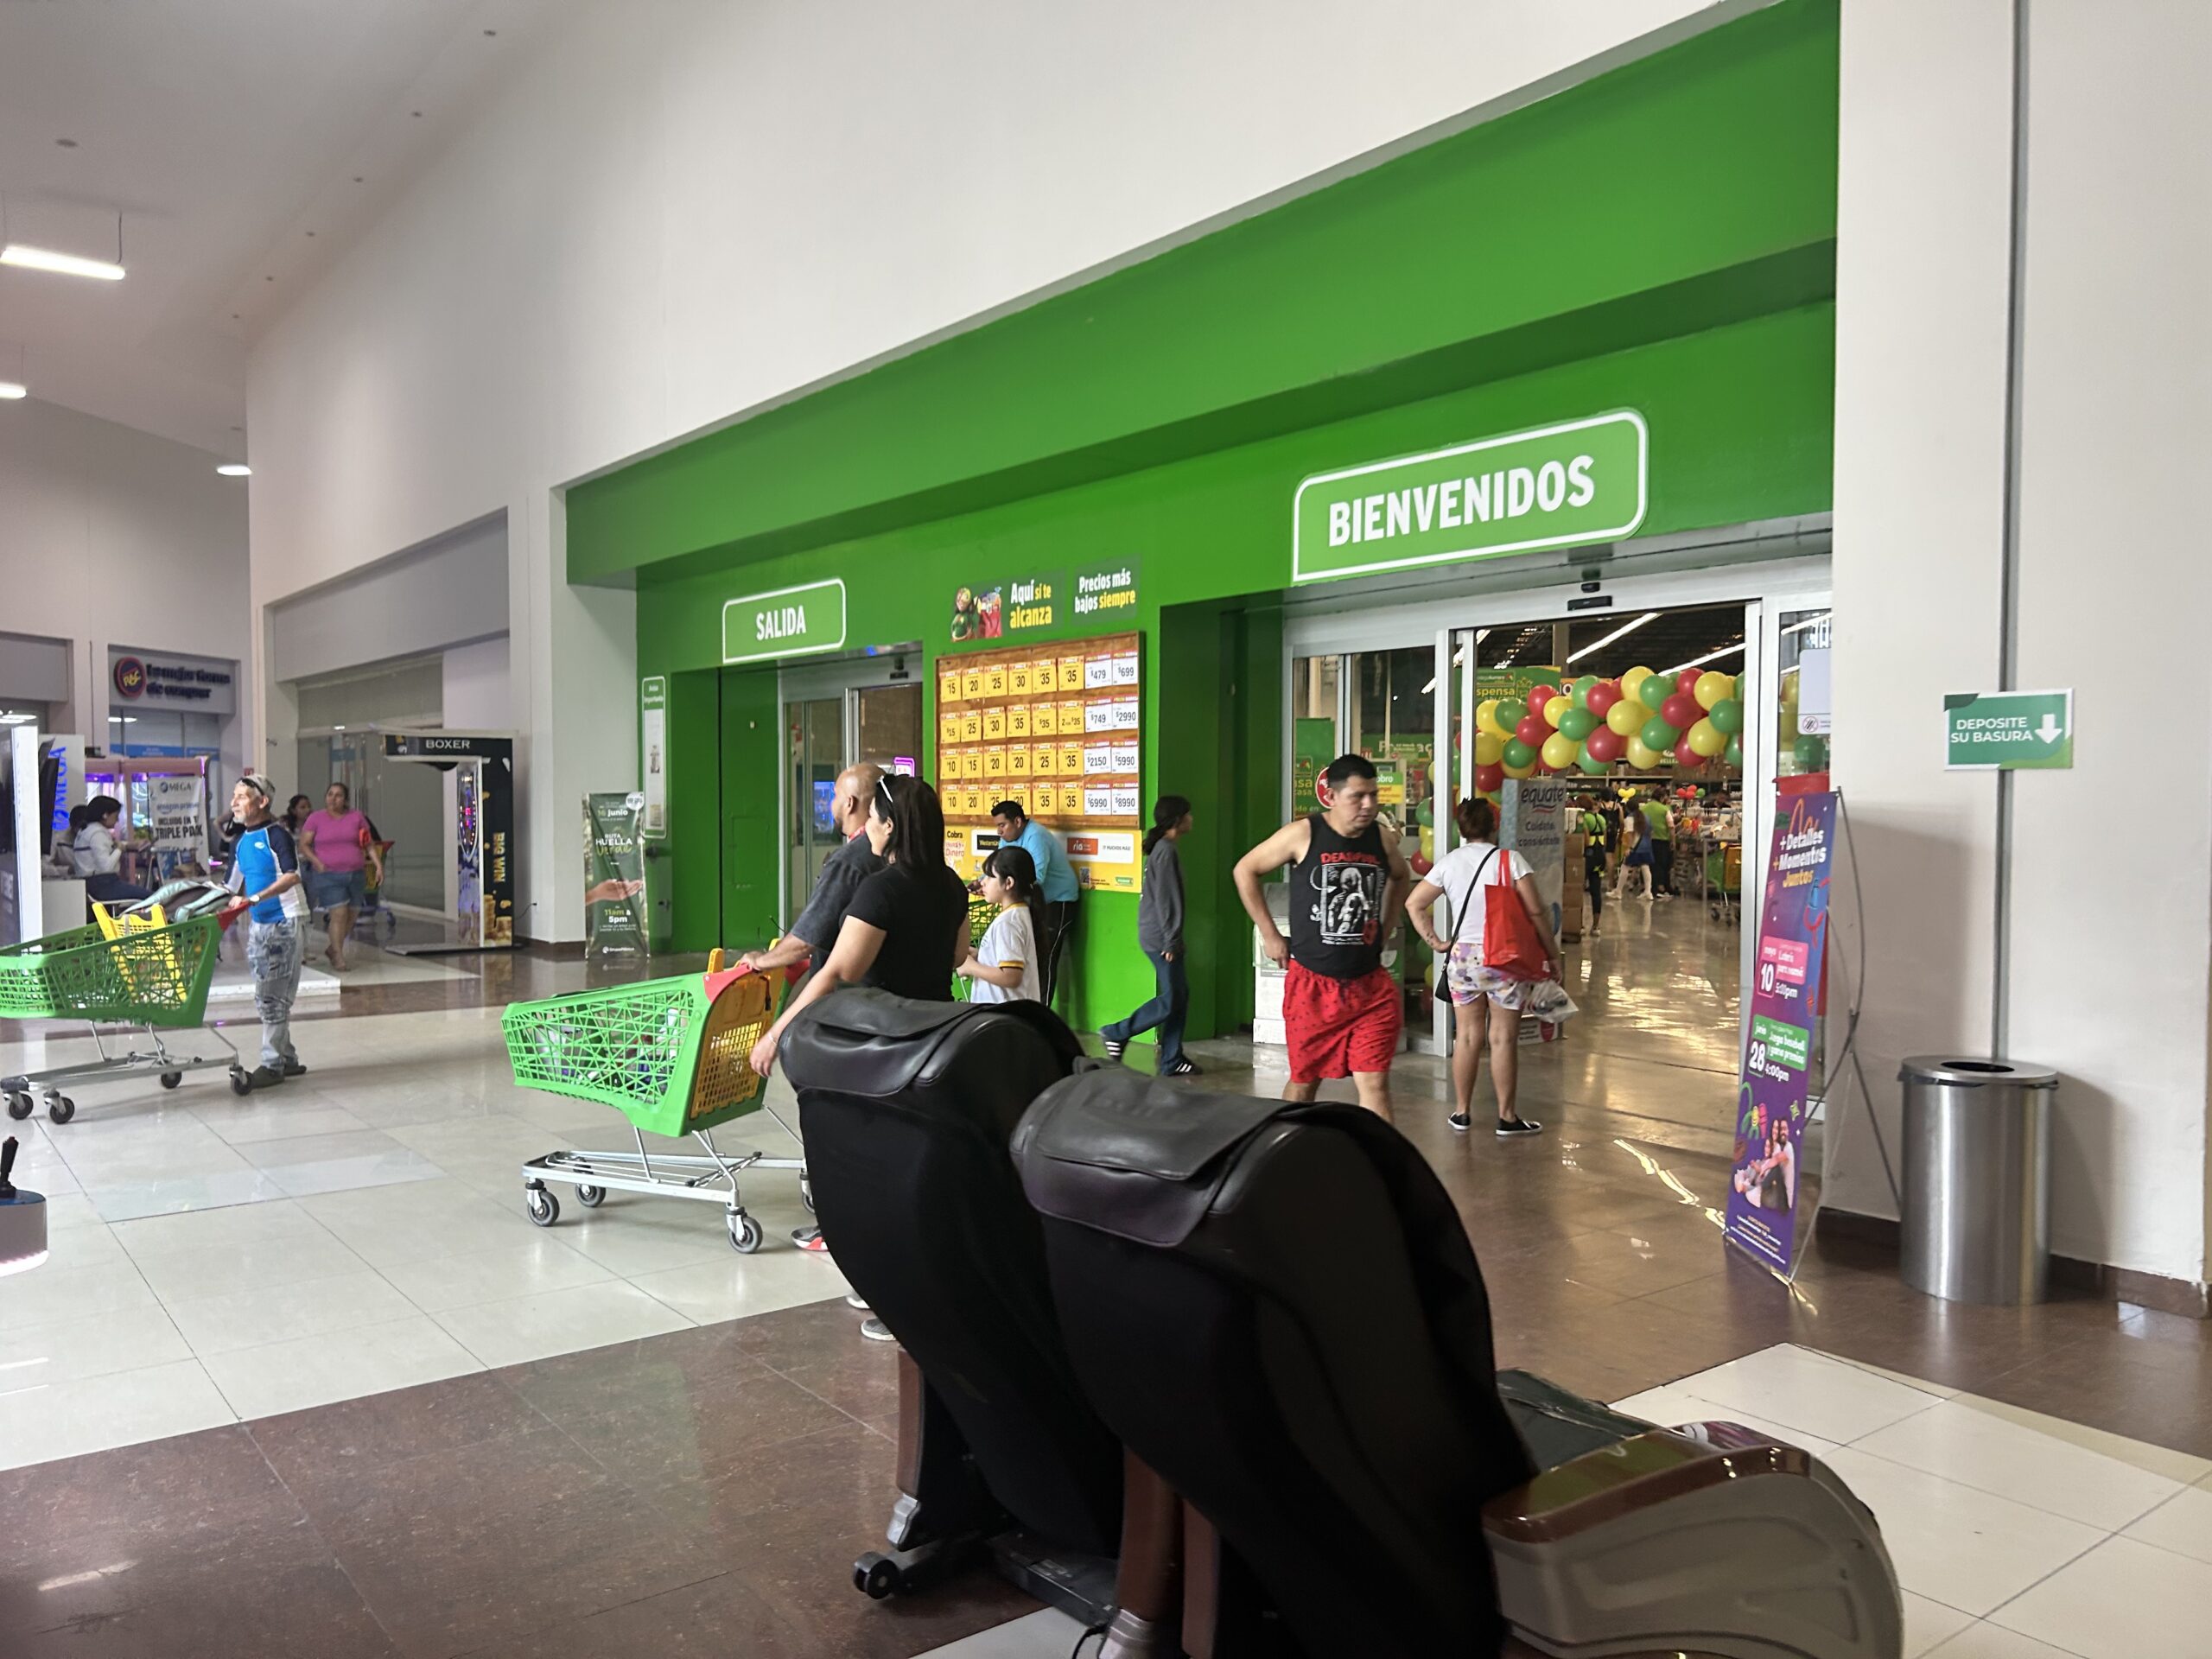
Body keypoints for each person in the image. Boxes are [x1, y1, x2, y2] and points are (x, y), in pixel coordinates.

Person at [751, 775, 969, 1341]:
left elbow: (835, 973)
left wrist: (776, 1033)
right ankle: (898, 1288)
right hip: (934, 1040)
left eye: (874, 818)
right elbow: (958, 956)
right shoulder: (951, 885)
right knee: (910, 1171)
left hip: (882, 1047)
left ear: (890, 826)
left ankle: (903, 1304)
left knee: (880, 1175)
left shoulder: (881, 890)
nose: (867, 826)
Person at [738, 762, 883, 1257]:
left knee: (831, 1117)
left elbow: (809, 942)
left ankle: (840, 1223)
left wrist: (763, 961)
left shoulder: (852, 861)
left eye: (836, 796)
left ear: (852, 803)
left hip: (845, 1013)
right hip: (892, 1012)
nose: (831, 805)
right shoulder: (905, 862)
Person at [1233, 755, 1409, 1122]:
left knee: (1375, 1084)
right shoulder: (1303, 834)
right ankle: (1286, 1147)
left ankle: (1383, 1155)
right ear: (1331, 796)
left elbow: (1400, 875)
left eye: (1374, 796)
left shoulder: (1380, 838)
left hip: (1369, 989)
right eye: (1357, 797)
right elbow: (1245, 870)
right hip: (1312, 988)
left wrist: (1387, 925)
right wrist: (1269, 933)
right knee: (1304, 1082)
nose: (1368, 805)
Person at [1405, 798, 1562, 1136]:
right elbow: (1536, 911)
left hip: (1463, 959)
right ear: (1494, 825)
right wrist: (1552, 954)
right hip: (1504, 957)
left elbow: (1414, 903)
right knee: (1502, 1037)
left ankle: (1462, 1112)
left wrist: (1436, 942)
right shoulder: (1510, 860)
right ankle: (1507, 1117)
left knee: (1467, 1036)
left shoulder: (1450, 863)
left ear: (1462, 828)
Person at [1101, 795, 1197, 1076]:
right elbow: (1167, 901)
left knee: (1180, 994)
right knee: (1172, 998)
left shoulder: (1164, 848)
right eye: (1188, 814)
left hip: (1159, 933)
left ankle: (1172, 1059)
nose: (1192, 819)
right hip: (1160, 936)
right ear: (1177, 820)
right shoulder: (1165, 851)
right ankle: (1117, 1032)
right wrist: (1171, 940)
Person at [224, 773, 308, 1088]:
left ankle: (272, 1065)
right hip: (260, 925)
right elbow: (229, 887)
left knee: (272, 996)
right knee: (267, 994)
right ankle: (287, 1058)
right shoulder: (239, 842)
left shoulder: (277, 836)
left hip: (285, 921)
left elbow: (292, 875)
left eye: (242, 796)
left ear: (263, 802)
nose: (234, 802)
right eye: (234, 796)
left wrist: (255, 898)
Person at [989, 800, 1080, 1003]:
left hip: (1059, 901)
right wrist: (982, 883)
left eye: (1002, 825)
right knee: (1033, 958)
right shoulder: (1007, 840)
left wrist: (1004, 889)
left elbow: (1036, 877)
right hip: (1034, 904)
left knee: (1046, 959)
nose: (999, 832)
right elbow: (998, 869)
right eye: (997, 826)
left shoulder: (1036, 836)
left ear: (1018, 821)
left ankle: (1041, 1013)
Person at [299, 781, 385, 973]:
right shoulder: (316, 818)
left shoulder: (356, 817)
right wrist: (316, 861)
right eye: (330, 794)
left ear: (345, 799)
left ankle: (332, 948)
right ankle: (338, 955)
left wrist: (378, 866)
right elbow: (304, 844)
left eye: (338, 795)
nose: (333, 799)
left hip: (355, 873)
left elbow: (369, 844)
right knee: (338, 914)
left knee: (352, 914)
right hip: (328, 874)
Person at [957, 844, 1042, 1004]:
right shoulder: (1017, 914)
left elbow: (1011, 977)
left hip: (1006, 1014)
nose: (983, 882)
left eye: (990, 876)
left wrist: (971, 967)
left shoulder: (1008, 923)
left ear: (1008, 883)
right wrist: (982, 956)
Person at [69, 796, 152, 905]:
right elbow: (106, 866)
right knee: (152, 897)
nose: (117, 820)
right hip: (104, 885)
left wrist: (127, 846)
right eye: (116, 816)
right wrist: (119, 849)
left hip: (91, 884)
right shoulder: (97, 834)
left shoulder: (85, 832)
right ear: (105, 815)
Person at [1576, 796, 1607, 941]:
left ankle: (1580, 925)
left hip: (1588, 857)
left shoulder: (1584, 819)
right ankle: (1596, 926)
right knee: (1596, 891)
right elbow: (1605, 839)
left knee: (1579, 890)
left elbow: (1587, 840)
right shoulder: (1601, 818)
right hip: (1600, 857)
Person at [1640, 791, 1676, 899]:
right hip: (1662, 840)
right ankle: (1661, 887)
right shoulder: (1665, 809)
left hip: (1646, 840)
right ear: (1661, 798)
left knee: (1648, 865)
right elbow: (1671, 826)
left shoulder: (1643, 809)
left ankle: (1648, 887)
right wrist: (1673, 841)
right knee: (1660, 864)